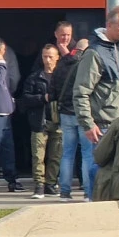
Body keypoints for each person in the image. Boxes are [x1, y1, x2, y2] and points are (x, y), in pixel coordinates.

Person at [73, 5, 119, 198]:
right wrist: (88, 123)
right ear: (109, 25)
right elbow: (81, 91)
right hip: (103, 126)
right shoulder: (94, 53)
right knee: (97, 168)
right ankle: (94, 203)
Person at [21, 44, 62, 197]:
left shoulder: (62, 77)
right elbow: (25, 98)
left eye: (51, 56)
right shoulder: (34, 77)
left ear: (57, 57)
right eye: (45, 56)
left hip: (58, 121)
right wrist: (42, 98)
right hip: (39, 121)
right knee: (38, 156)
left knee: (55, 155)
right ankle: (39, 185)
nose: (48, 60)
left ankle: (51, 184)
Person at [52, 28, 84, 200]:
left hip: (65, 113)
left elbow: (53, 89)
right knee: (87, 153)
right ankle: (88, 190)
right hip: (82, 112)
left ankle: (65, 191)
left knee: (67, 153)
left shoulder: (62, 65)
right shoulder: (85, 66)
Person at [0, 37, 20, 192]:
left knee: (8, 148)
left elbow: (12, 82)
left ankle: (12, 179)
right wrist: (2, 64)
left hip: (5, 111)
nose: (4, 53)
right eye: (2, 50)